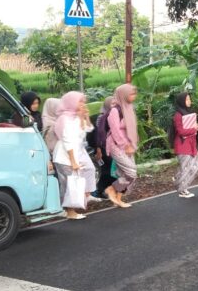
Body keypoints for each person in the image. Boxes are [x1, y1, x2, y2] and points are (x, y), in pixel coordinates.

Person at [52, 91, 97, 219]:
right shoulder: (65, 118)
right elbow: (67, 140)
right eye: (80, 101)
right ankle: (69, 212)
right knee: (68, 184)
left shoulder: (74, 116)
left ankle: (73, 206)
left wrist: (84, 117)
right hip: (65, 155)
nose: (83, 104)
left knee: (77, 178)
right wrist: (73, 161)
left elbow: (87, 129)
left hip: (74, 152)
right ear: (71, 102)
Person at [104, 84, 138, 208]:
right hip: (117, 145)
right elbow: (115, 131)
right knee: (131, 172)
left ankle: (118, 198)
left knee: (125, 174)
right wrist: (125, 145)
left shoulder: (129, 107)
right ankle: (111, 189)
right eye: (131, 94)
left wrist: (132, 144)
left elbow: (132, 128)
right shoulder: (115, 111)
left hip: (129, 145)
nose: (134, 96)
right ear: (123, 95)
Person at [169, 92, 198, 198]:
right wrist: (194, 129)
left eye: (189, 99)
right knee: (186, 168)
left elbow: (191, 130)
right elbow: (181, 131)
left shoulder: (189, 113)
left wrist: (195, 128)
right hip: (182, 145)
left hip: (191, 144)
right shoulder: (178, 115)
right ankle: (182, 190)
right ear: (182, 101)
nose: (189, 101)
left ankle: (177, 178)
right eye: (187, 100)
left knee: (196, 165)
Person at [92, 97, 115, 199]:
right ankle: (99, 190)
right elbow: (98, 135)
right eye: (112, 104)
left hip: (111, 147)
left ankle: (107, 190)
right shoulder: (101, 117)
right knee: (107, 170)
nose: (114, 106)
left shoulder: (113, 115)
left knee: (111, 169)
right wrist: (98, 149)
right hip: (102, 147)